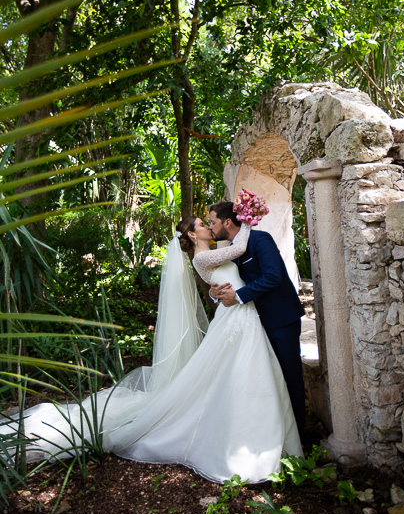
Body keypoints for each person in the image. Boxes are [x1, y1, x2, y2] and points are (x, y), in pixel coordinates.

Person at [0, 217, 302, 484]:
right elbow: (236, 252)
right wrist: (250, 218)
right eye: (202, 224)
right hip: (236, 318)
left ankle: (267, 438)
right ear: (193, 236)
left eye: (209, 221)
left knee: (245, 374)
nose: (208, 226)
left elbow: (232, 272)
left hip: (243, 317)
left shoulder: (210, 251)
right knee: (236, 374)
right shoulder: (204, 255)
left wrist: (215, 288)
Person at [208, 201, 306, 440]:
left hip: (281, 320)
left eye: (213, 222)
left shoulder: (260, 240)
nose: (211, 227)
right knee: (269, 380)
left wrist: (239, 296)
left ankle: (301, 439)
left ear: (227, 222)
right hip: (255, 324)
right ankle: (277, 436)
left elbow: (273, 277)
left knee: (290, 378)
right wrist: (216, 293)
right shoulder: (233, 248)